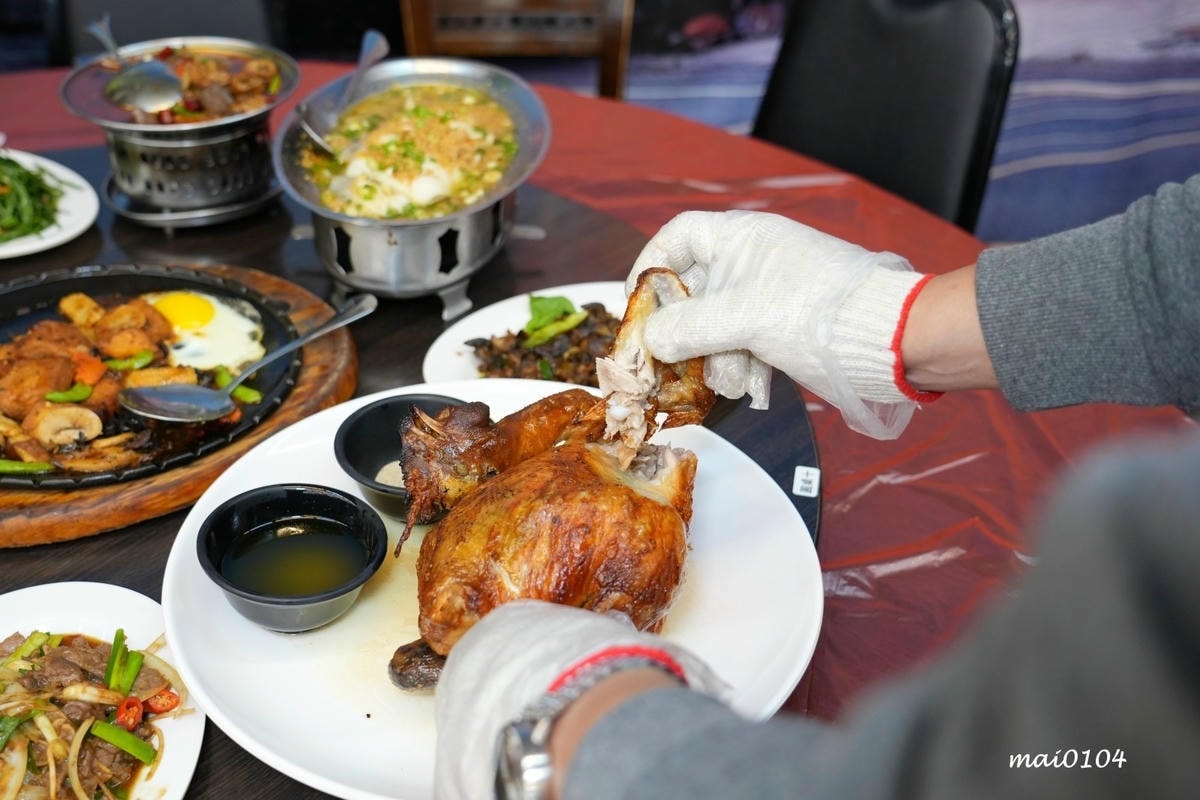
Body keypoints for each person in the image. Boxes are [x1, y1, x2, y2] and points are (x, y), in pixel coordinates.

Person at [433, 175, 1200, 799]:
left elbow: (1002, 776)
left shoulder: (1145, 550)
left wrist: (578, 717)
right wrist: (886, 319)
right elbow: (1172, 276)